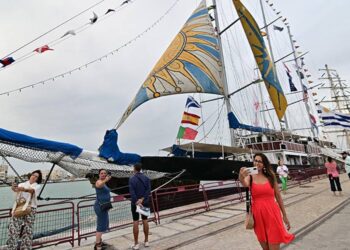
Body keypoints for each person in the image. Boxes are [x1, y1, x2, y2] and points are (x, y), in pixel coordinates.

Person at [239, 153, 294, 250]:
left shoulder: (271, 176)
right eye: (255, 160)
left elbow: (278, 196)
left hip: (272, 214)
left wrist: (284, 215)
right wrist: (241, 176)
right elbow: (244, 184)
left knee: (274, 246)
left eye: (260, 161)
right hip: (258, 216)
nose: (257, 163)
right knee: (265, 248)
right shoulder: (250, 176)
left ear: (264, 164)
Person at [7, 170, 42, 250]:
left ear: (38, 179)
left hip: (31, 209)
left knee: (28, 230)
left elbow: (32, 191)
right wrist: (14, 188)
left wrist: (23, 189)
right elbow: (16, 190)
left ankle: (25, 248)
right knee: (13, 229)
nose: (34, 177)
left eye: (36, 176)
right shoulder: (22, 184)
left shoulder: (37, 186)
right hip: (20, 207)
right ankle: (11, 247)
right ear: (30, 175)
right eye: (33, 175)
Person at [129, 163, 151, 250]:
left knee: (135, 221)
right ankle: (146, 241)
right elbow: (148, 190)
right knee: (145, 220)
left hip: (135, 203)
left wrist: (137, 201)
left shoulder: (131, 179)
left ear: (134, 169)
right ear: (141, 169)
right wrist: (142, 199)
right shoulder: (146, 178)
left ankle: (136, 244)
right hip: (144, 202)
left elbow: (132, 191)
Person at [94, 169, 112, 250]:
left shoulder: (104, 183)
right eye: (102, 173)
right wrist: (106, 179)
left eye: (105, 173)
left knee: (103, 224)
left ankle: (99, 241)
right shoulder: (99, 181)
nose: (103, 174)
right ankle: (97, 245)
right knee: (101, 226)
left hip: (105, 206)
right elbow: (99, 185)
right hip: (100, 207)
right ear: (99, 175)